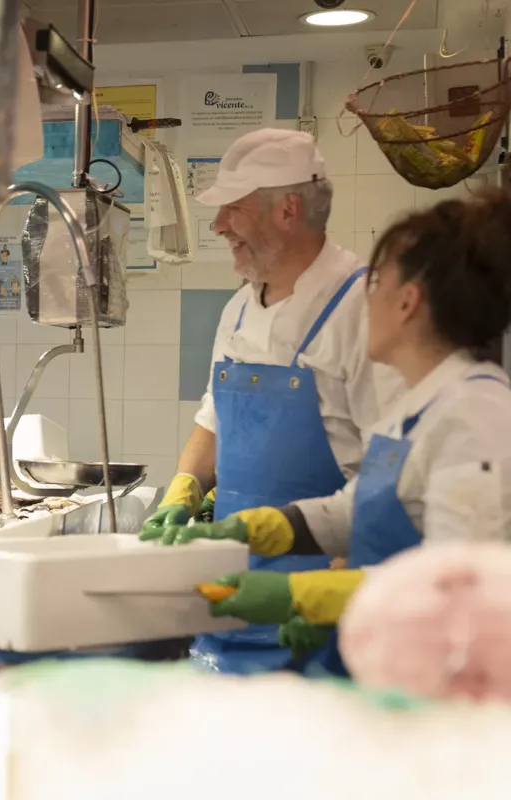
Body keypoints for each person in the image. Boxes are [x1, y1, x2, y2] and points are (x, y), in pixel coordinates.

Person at [168, 190, 511, 674]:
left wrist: (304, 594)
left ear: (407, 303)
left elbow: (455, 585)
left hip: (438, 685)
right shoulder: (421, 405)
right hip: (387, 656)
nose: (362, 302)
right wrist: (267, 527)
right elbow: (358, 508)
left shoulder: (476, 414)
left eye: (375, 283)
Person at [137, 128, 404, 674]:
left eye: (233, 210)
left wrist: (335, 590)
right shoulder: (236, 308)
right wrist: (181, 492)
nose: (217, 227)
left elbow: (392, 476)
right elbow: (213, 417)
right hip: (230, 597)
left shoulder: (362, 308)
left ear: (287, 210)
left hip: (316, 610)